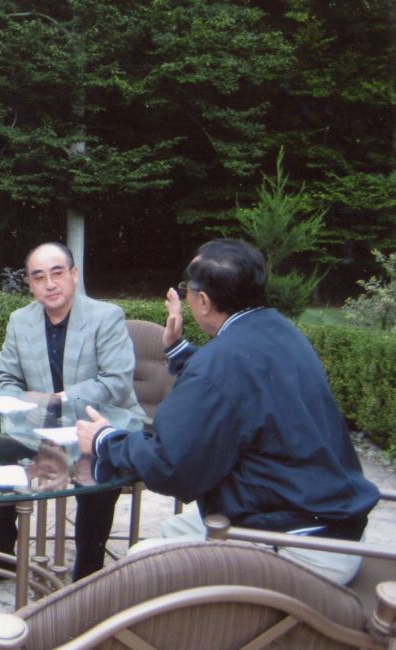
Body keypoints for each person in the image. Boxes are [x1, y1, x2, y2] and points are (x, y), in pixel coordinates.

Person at [76, 239, 380, 585]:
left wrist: (105, 440)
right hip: (332, 526)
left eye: (187, 290)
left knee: (140, 567)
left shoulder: (219, 363)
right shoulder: (280, 331)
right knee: (175, 528)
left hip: (297, 546)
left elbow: (171, 466)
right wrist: (178, 350)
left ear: (203, 301)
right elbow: (243, 383)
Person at [0, 242, 145, 591]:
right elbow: (5, 378)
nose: (49, 284)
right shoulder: (21, 321)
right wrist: (25, 402)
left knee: (95, 474)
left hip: (97, 425)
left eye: (57, 273)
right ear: (30, 284)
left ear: (74, 275)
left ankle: (88, 574)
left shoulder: (106, 317)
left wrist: (56, 399)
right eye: (39, 277)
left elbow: (116, 382)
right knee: (1, 453)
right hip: (42, 429)